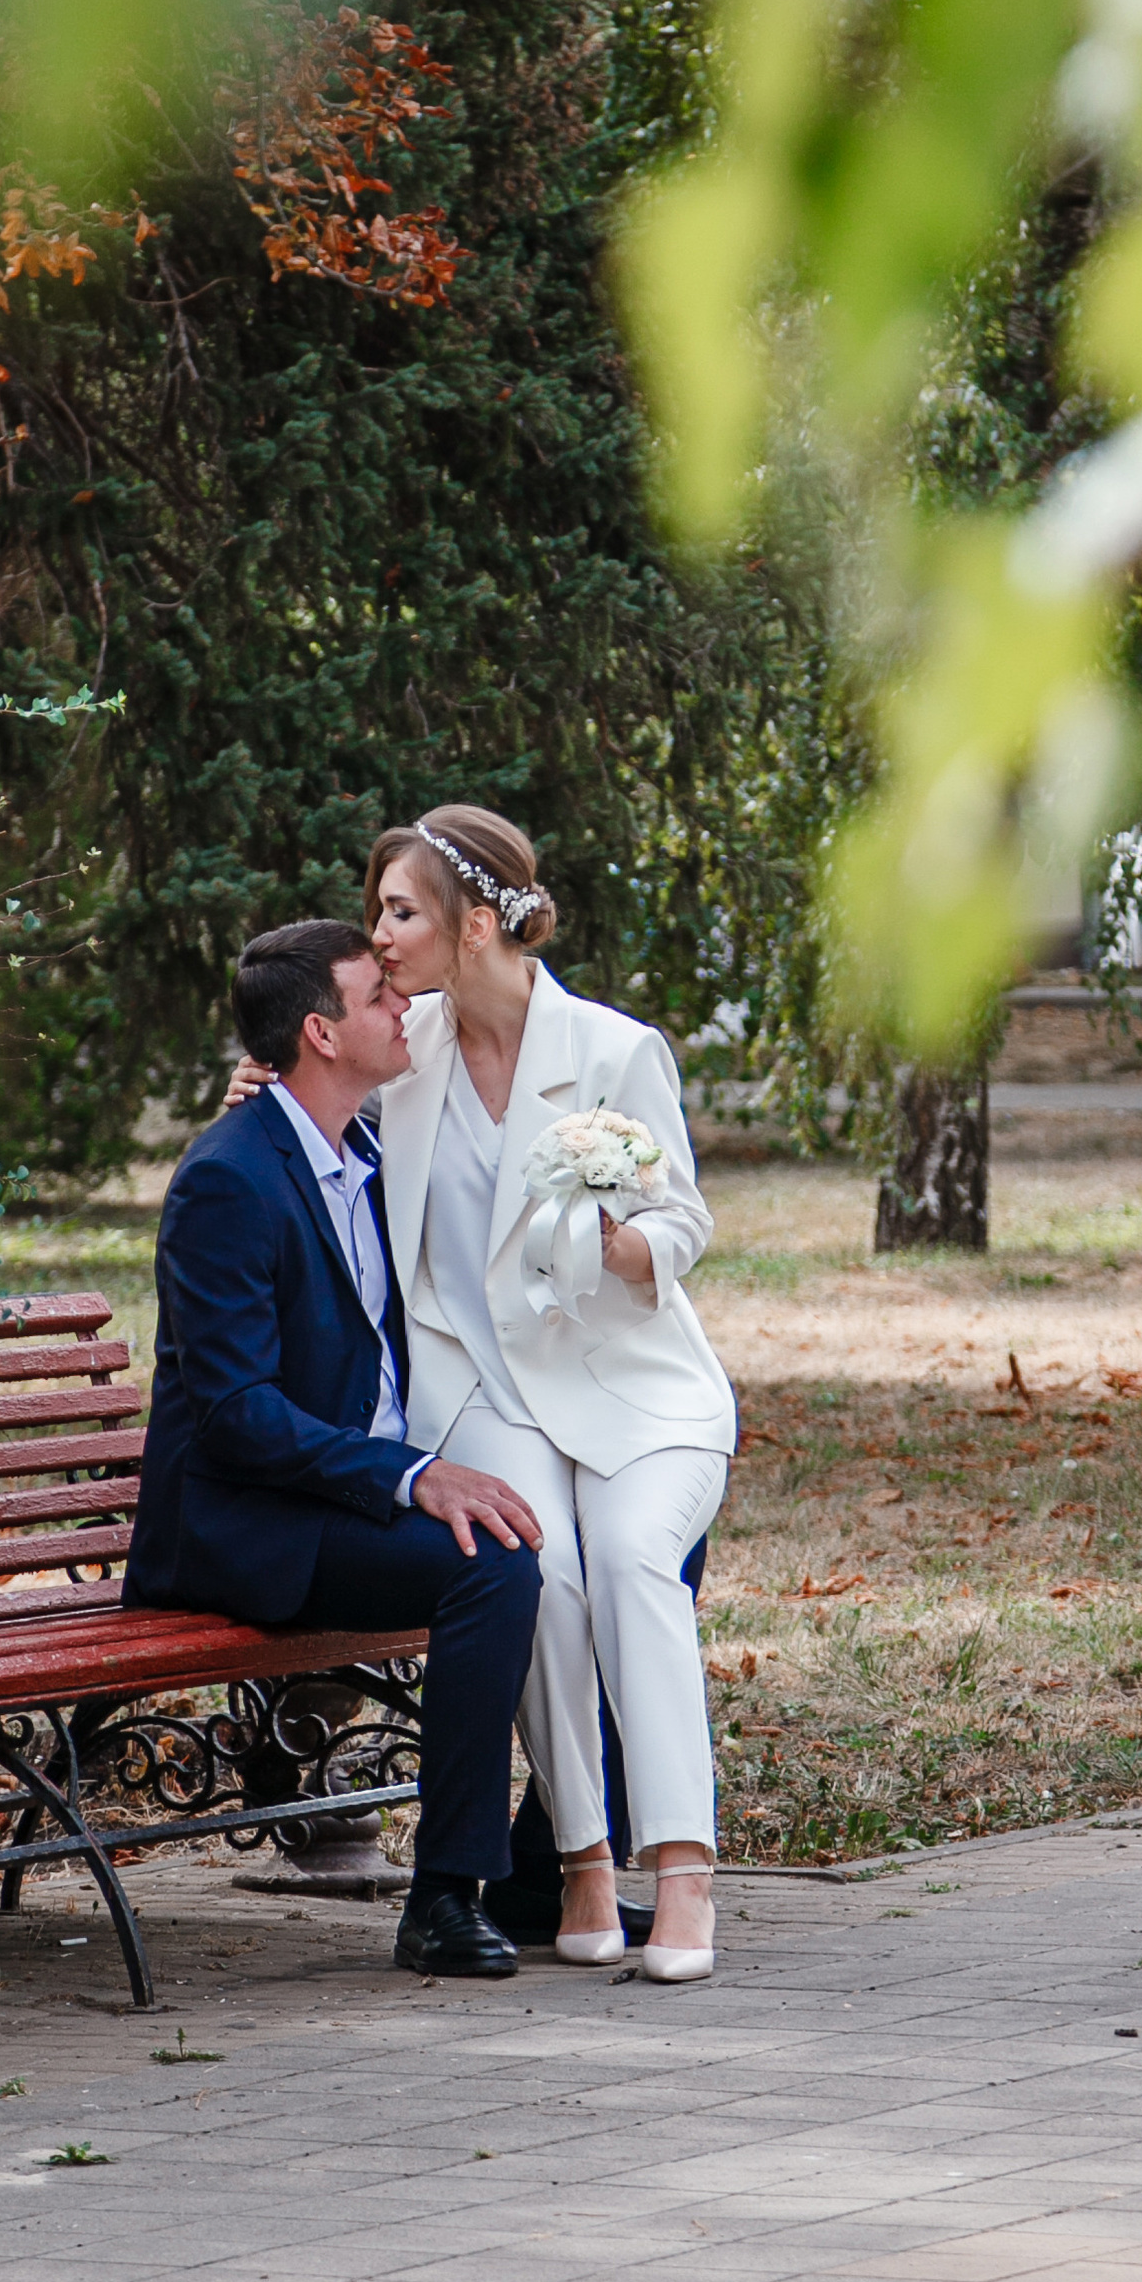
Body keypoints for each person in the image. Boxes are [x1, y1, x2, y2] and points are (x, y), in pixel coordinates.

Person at [126, 916, 547, 1981]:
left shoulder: (372, 1151)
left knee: (568, 1542)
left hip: (340, 1500)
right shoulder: (230, 1179)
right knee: (491, 1567)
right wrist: (410, 1475)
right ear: (320, 1032)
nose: (403, 1005)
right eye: (378, 997)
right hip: (245, 1523)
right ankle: (446, 1899)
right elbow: (235, 1414)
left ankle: (546, 1872)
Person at [366, 808, 738, 1982]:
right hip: (482, 1388)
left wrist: (628, 1246)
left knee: (630, 1563)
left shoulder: (616, 1051)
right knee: (546, 1573)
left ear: (475, 925)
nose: (377, 934)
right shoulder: (401, 1047)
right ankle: (580, 1860)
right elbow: (311, 1104)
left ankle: (680, 1871)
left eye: (401, 911)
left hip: (630, 1385)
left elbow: (683, 1216)